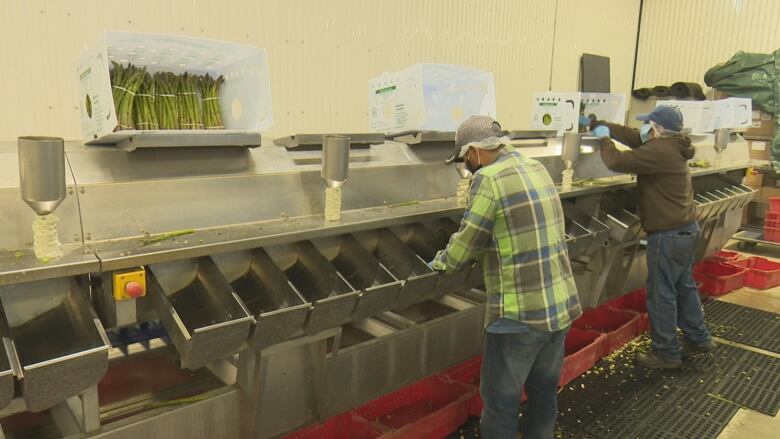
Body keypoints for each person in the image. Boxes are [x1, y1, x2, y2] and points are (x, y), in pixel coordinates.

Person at [431, 115, 581, 439]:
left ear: (474, 151)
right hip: (558, 306)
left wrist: (440, 263)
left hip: (520, 315)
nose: (468, 164)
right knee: (543, 393)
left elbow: (468, 241)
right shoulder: (537, 167)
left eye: (465, 158)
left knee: (501, 401)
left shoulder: (488, 179)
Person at [583, 106, 717, 370]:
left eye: (649, 125)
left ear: (657, 129)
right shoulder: (672, 145)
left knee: (661, 294)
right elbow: (634, 137)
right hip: (685, 229)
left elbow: (616, 162)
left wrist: (603, 139)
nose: (644, 129)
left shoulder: (659, 151)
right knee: (683, 286)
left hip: (667, 234)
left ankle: (666, 353)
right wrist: (600, 123)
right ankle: (699, 338)